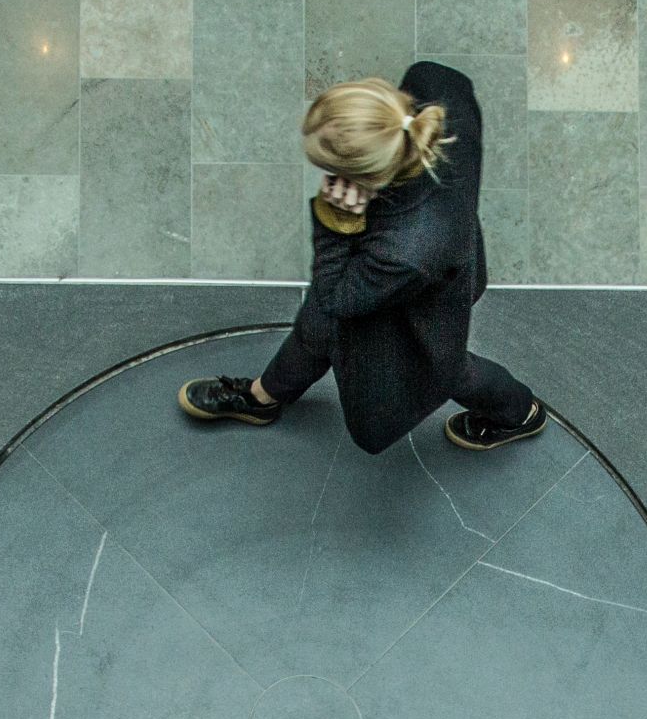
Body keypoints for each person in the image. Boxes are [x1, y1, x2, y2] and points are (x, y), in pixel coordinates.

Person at [176, 66, 546, 455]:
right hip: (452, 259)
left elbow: (335, 297)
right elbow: (444, 77)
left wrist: (337, 222)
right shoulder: (438, 94)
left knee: (440, 370)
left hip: (419, 303)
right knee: (316, 329)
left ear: (365, 180)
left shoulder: (406, 250)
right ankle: (262, 397)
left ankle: (519, 413)